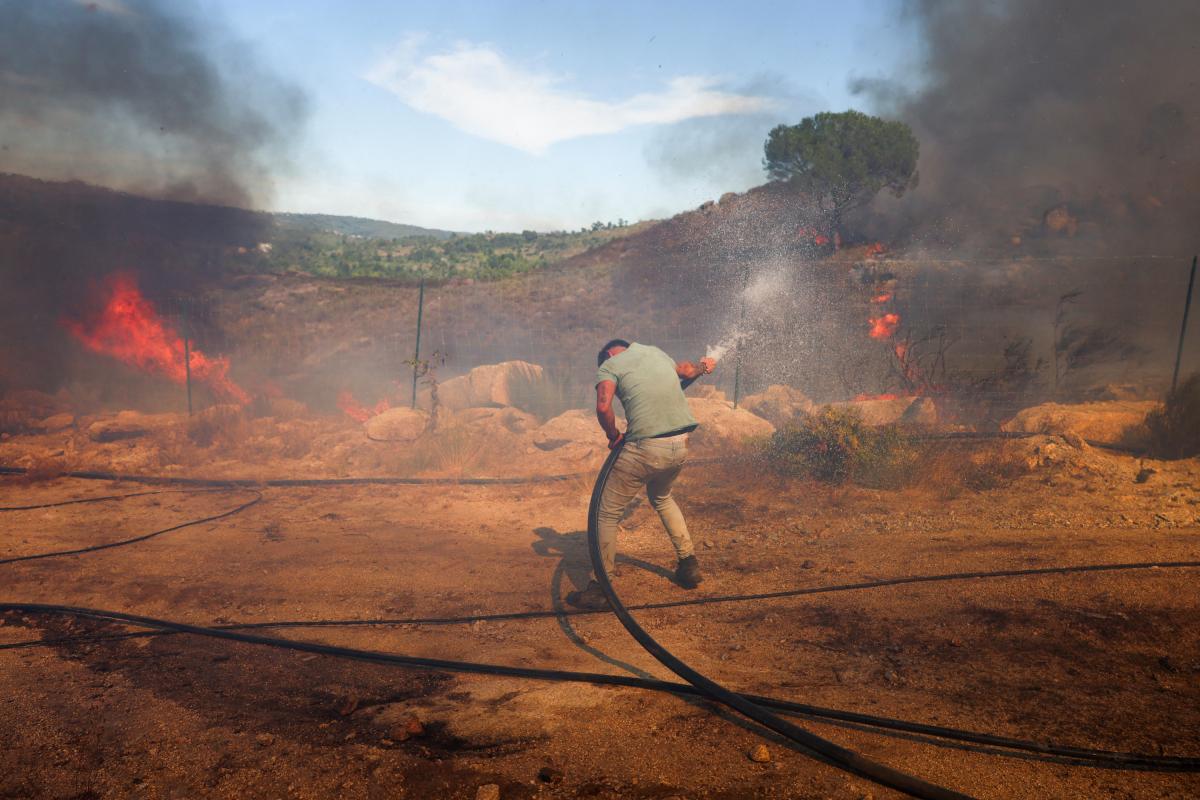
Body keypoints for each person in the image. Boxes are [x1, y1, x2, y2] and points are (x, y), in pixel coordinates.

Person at [566, 338, 716, 610]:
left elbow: (603, 407)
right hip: (679, 445)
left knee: (606, 511)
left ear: (609, 354)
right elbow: (686, 371)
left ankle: (601, 587)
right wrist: (704, 366)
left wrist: (613, 436)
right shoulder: (655, 352)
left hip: (646, 447)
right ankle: (688, 564)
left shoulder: (610, 365)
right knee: (662, 496)